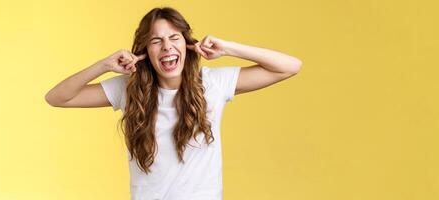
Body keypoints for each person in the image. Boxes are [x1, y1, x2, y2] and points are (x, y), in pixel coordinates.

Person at [45, 6, 302, 200]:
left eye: (174, 37)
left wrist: (228, 48)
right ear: (145, 51)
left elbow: (290, 67)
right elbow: (57, 97)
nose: (167, 47)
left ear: (188, 44)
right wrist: (103, 65)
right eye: (156, 40)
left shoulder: (212, 84)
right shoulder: (128, 89)